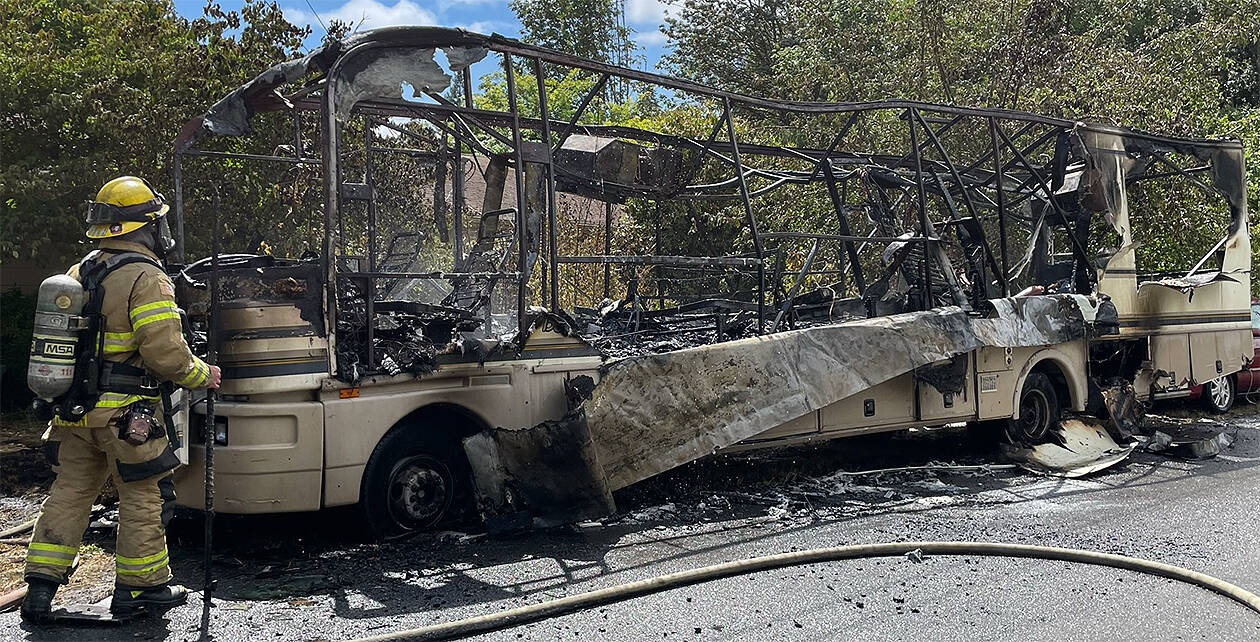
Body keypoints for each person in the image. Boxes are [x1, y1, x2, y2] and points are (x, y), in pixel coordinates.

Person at [21, 176, 221, 622]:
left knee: (69, 494)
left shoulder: (78, 273)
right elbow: (164, 353)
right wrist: (203, 374)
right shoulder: (147, 276)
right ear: (147, 226)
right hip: (127, 417)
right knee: (143, 496)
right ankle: (140, 589)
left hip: (73, 414)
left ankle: (38, 589)